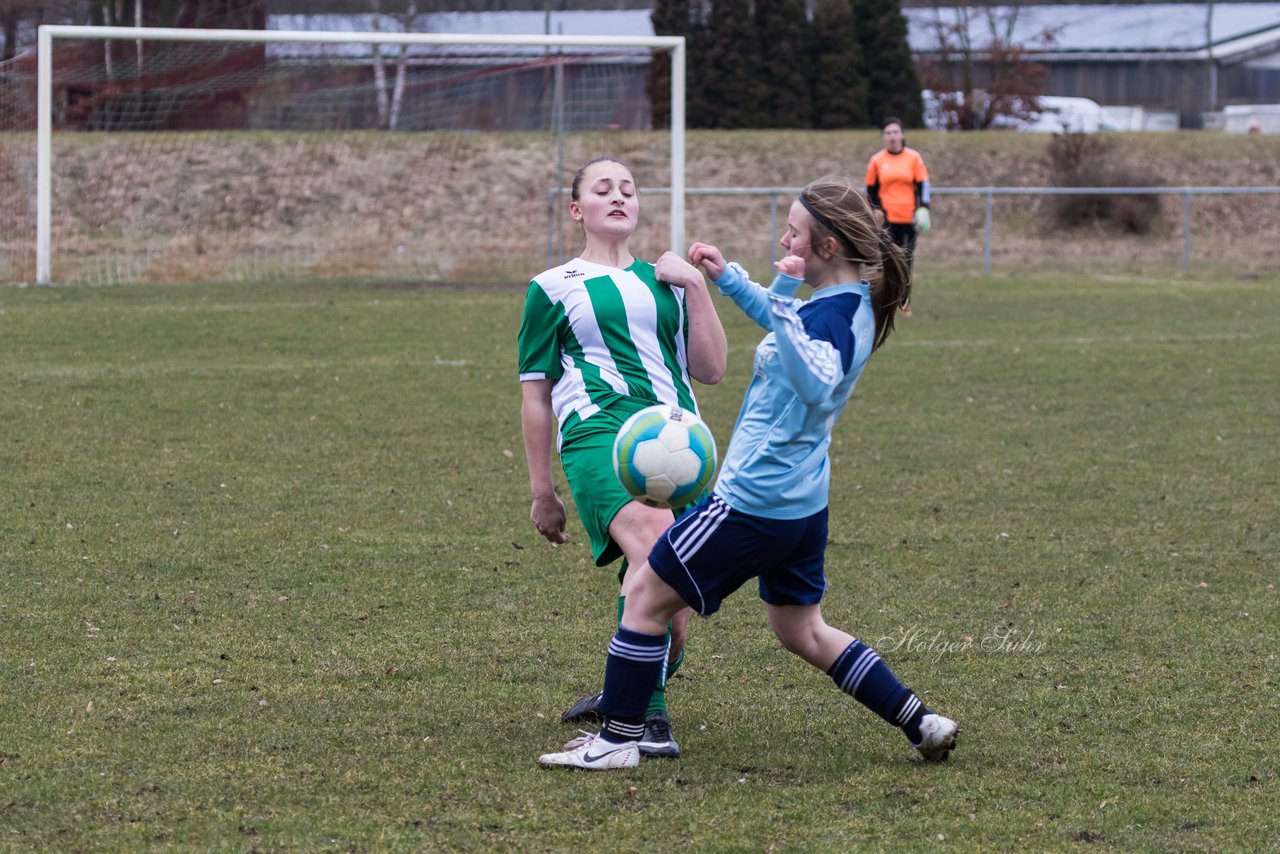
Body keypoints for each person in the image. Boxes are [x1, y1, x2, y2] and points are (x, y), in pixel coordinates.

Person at [538, 175, 958, 770]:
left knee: (642, 596)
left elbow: (817, 378)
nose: (783, 237)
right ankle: (922, 721)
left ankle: (619, 740)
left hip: (752, 503)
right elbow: (788, 328)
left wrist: (783, 301)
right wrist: (730, 279)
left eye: (793, 230)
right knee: (802, 630)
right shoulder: (846, 302)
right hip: (801, 506)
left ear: (827, 247)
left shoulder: (827, 319)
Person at [518, 156, 728, 759]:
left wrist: (695, 286)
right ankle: (644, 724)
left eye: (629, 190)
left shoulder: (666, 279)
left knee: (675, 598)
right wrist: (542, 491)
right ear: (577, 209)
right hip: (600, 438)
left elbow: (711, 370)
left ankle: (625, 692)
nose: (619, 197)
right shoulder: (551, 286)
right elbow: (535, 396)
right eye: (603, 189)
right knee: (657, 551)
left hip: (680, 447)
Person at [865, 117, 931, 314]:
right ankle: (881, 302)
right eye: (888, 133)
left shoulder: (913, 158)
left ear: (902, 135)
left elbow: (923, 184)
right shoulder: (877, 160)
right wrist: (878, 212)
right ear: (884, 137)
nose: (892, 136)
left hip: (909, 219)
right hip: (887, 220)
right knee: (885, 260)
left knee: (906, 261)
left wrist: (925, 207)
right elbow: (871, 190)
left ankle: (904, 302)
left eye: (895, 132)